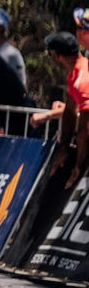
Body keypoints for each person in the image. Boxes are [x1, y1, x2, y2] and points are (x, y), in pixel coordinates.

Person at [45, 32, 89, 189]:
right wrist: (64, 147)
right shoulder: (75, 74)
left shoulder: (82, 79)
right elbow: (70, 111)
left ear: (57, 56)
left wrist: (78, 166)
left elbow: (84, 130)